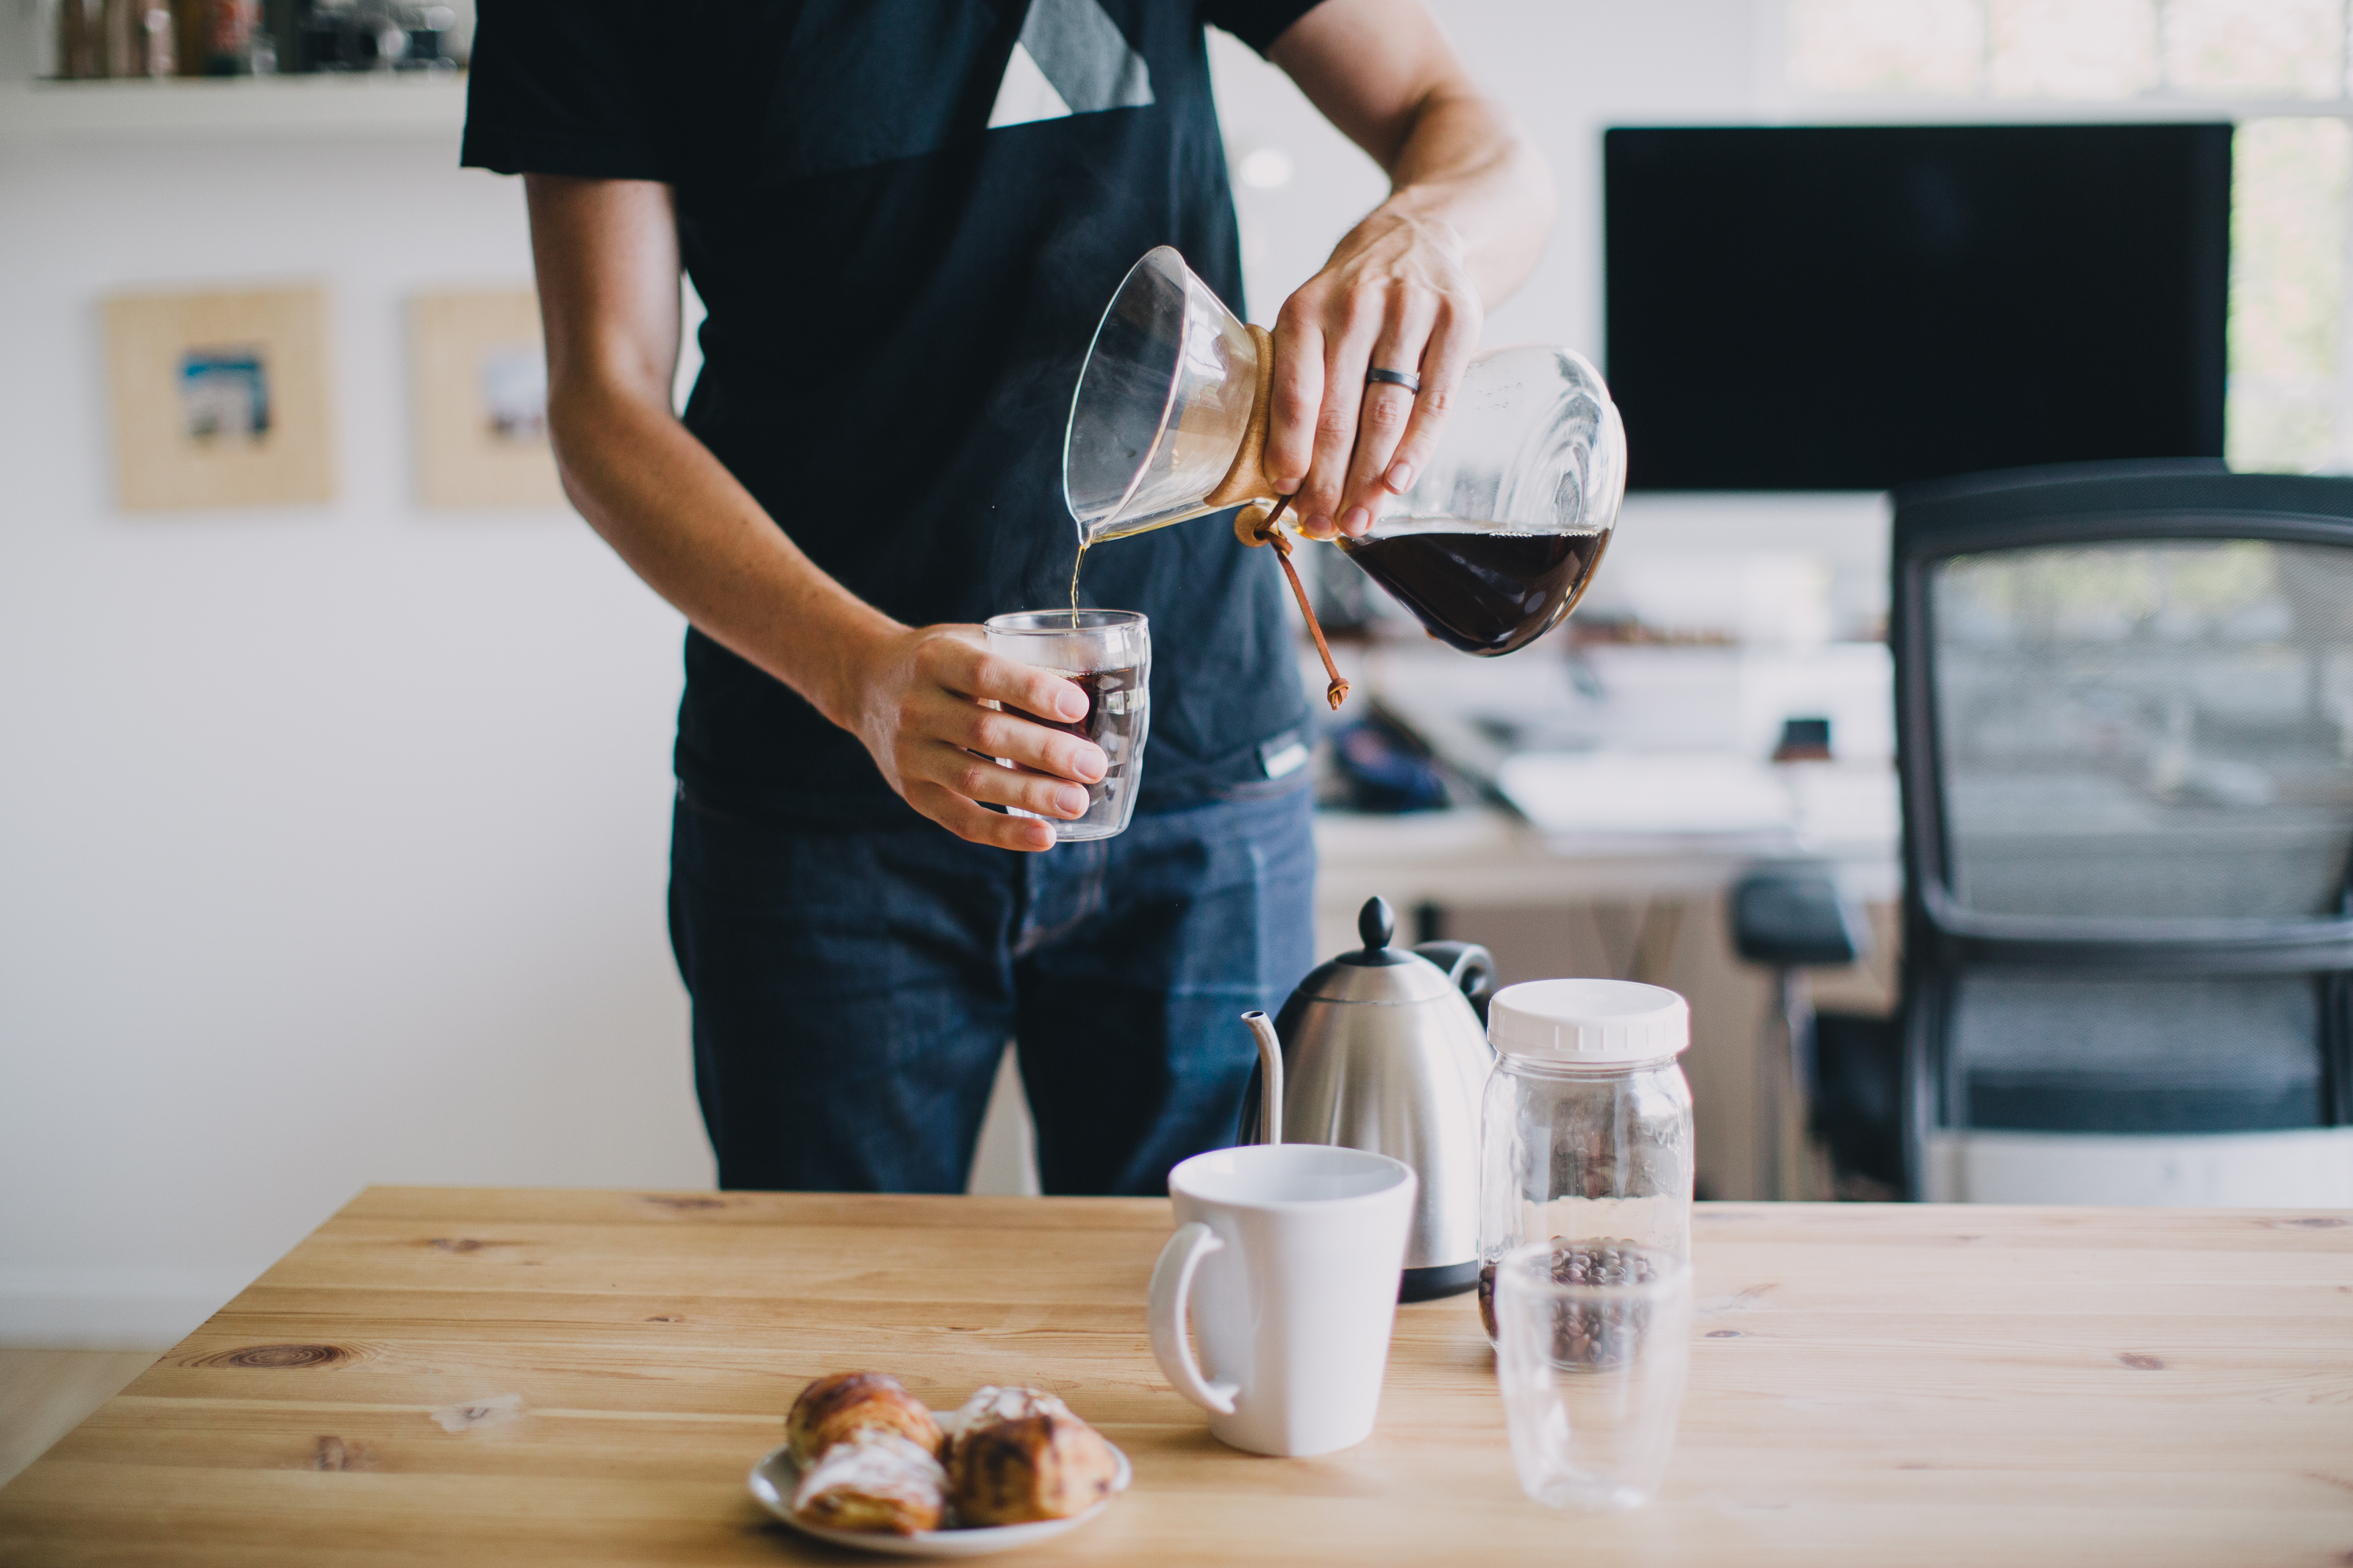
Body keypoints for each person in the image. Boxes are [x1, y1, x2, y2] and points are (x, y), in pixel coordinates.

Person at [460, 0, 1552, 1196]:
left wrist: (1427, 240)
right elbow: (603, 407)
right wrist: (862, 678)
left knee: (1206, 1324)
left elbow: (1476, 138)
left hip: (1196, 780)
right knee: (834, 1340)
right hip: (823, 792)